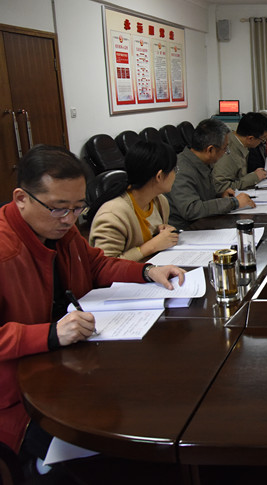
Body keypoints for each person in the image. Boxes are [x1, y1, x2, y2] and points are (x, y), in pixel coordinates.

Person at [0, 145, 184, 465]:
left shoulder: (63, 229)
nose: (69, 219)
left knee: (149, 406)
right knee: (106, 454)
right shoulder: (6, 252)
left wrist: (146, 271)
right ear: (21, 198)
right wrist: (50, 334)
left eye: (78, 208)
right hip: (19, 393)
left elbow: (96, 265)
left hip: (73, 362)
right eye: (59, 208)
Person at [89, 141, 179, 261]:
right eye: (174, 169)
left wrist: (162, 234)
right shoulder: (112, 215)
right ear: (159, 176)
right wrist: (150, 246)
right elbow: (105, 265)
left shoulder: (160, 201)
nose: (175, 174)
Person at [166, 118, 255, 229]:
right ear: (210, 150)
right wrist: (233, 202)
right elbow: (191, 209)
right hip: (186, 230)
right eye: (225, 148)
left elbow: (200, 197)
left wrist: (219, 195)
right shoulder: (181, 170)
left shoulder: (202, 162)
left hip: (204, 222)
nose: (226, 152)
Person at [213, 111, 267, 193]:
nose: (262, 142)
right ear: (250, 138)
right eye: (262, 139)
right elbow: (221, 187)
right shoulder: (227, 151)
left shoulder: (239, 143)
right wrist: (254, 177)